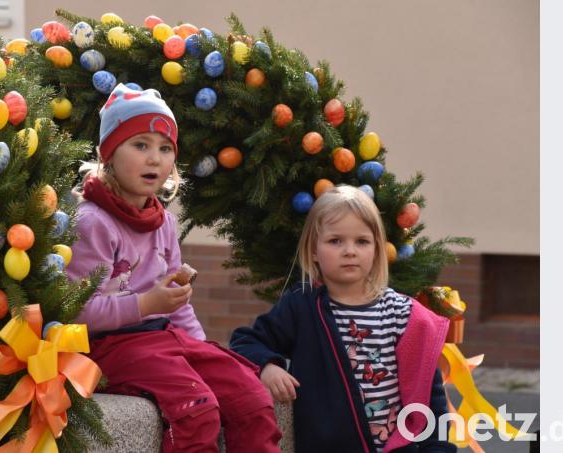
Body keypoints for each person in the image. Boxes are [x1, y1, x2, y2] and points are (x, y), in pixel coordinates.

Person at [66, 83, 281, 452]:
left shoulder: (162, 220)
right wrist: (147, 304)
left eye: (165, 149)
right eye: (141, 145)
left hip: (165, 338)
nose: (155, 159)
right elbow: (78, 312)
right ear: (109, 154)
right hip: (108, 347)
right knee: (195, 410)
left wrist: (200, 352)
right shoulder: (92, 221)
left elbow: (176, 302)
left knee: (251, 397)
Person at [230, 185, 456, 453]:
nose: (350, 251)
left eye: (362, 241)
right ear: (314, 249)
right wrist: (267, 366)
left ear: (377, 249)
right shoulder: (301, 308)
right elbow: (244, 342)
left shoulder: (402, 314)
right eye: (335, 241)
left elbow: (430, 400)